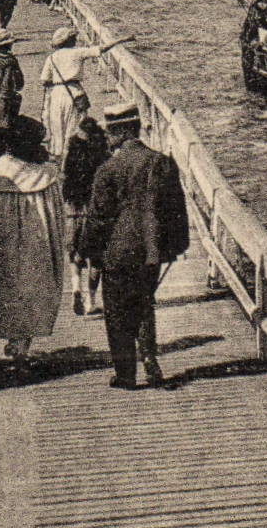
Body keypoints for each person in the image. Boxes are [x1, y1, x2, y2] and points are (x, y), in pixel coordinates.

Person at [78, 102, 189, 389]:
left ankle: (126, 374)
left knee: (117, 312)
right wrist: (174, 248)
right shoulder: (162, 162)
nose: (108, 137)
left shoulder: (108, 170)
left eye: (112, 131)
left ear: (123, 132)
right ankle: (150, 356)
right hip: (151, 250)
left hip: (118, 250)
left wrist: (89, 252)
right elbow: (176, 210)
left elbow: (99, 218)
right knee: (143, 303)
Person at [0, 117, 69, 371]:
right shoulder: (47, 174)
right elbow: (58, 214)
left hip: (6, 242)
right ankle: (23, 346)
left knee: (8, 289)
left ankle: (14, 339)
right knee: (34, 290)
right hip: (40, 242)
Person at [39, 26, 134, 158]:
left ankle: (58, 156)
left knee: (57, 127)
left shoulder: (51, 58)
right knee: (74, 126)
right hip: (74, 92)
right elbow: (101, 49)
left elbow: (44, 80)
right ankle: (71, 155)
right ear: (69, 40)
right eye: (74, 38)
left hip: (56, 93)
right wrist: (121, 40)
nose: (76, 40)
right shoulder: (77, 52)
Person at [62, 116, 110, 316]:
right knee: (96, 258)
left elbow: (64, 182)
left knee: (75, 254)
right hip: (94, 210)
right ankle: (91, 300)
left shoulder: (72, 153)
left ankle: (75, 288)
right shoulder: (102, 157)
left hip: (74, 209)